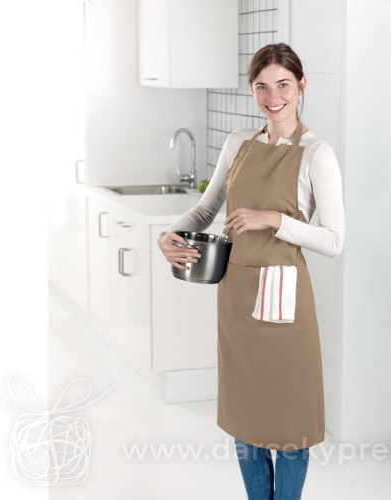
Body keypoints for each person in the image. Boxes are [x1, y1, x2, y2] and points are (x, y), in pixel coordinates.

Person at [157, 43, 345, 500]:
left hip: (285, 304)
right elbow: (207, 210)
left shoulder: (317, 154)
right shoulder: (239, 141)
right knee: (246, 425)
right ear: (252, 89)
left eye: (283, 85)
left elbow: (334, 240)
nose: (272, 97)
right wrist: (169, 234)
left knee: (291, 429)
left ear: (302, 86)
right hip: (237, 299)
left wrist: (275, 219)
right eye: (262, 87)